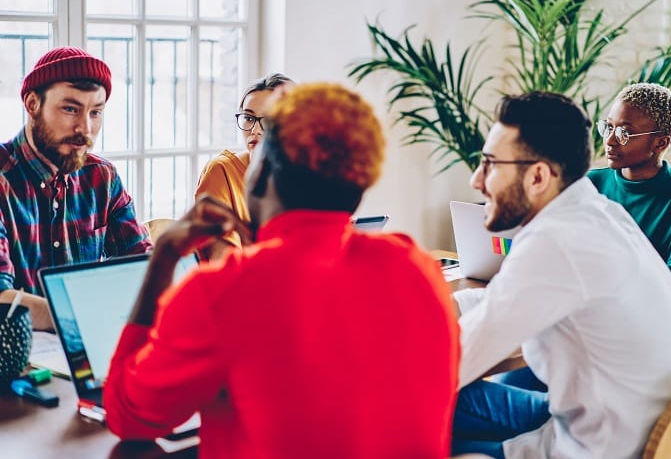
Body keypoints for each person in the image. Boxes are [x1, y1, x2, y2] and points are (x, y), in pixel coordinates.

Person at [104, 82, 460, 458]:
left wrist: (162, 260)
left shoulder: (225, 290)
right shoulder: (417, 266)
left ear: (259, 177)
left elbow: (128, 416)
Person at [451, 91, 671, 458]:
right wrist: (439, 304)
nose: (477, 180)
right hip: (622, 422)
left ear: (538, 176)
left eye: (490, 164)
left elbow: (453, 362)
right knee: (457, 400)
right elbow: (508, 298)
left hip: (597, 446)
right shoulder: (600, 214)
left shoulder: (556, 242)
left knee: (412, 417)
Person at [0, 47, 151, 330]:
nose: (85, 128)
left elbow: (142, 268)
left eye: (96, 112)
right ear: (32, 104)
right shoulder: (3, 182)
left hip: (90, 354)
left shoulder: (102, 177)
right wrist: (86, 317)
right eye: (70, 109)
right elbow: (1, 300)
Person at [589, 83, 671, 299]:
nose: (609, 141)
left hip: (655, 324)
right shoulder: (590, 183)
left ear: (660, 142)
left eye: (624, 133)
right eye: (608, 127)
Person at [194, 73, 293, 261]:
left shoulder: (306, 174)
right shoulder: (222, 171)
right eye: (248, 118)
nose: (254, 130)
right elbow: (221, 262)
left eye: (267, 120)